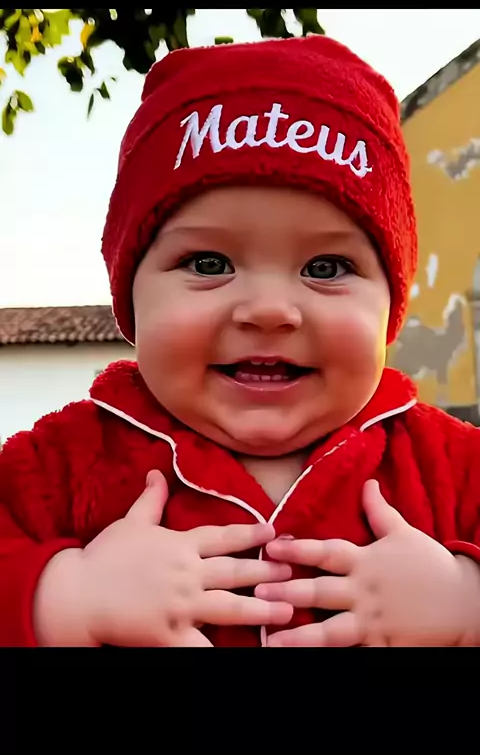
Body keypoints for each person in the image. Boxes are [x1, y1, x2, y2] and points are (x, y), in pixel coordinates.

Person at [1, 34, 480, 649]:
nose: (269, 310)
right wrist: (62, 596)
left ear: (390, 304)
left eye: (326, 267)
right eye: (208, 263)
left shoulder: (455, 468)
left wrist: (465, 601)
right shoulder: (59, 465)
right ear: (131, 295)